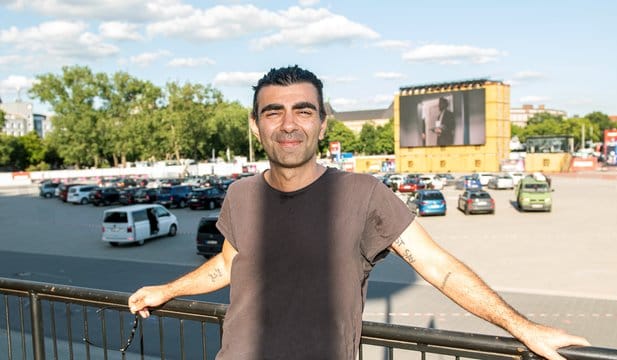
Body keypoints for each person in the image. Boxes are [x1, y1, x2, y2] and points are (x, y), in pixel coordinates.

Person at [128, 65, 589, 359]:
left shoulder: (363, 193)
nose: (289, 123)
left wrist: (522, 327)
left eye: (303, 111)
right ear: (256, 124)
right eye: (273, 112)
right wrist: (166, 290)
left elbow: (439, 268)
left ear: (322, 123)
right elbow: (230, 263)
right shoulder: (241, 195)